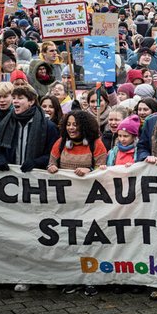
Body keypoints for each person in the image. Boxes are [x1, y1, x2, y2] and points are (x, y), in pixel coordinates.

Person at [47, 110, 107, 296]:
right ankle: (71, 278)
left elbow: (103, 170)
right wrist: (52, 168)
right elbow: (50, 164)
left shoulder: (96, 145)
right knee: (69, 242)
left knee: (89, 242)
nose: (71, 128)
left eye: (76, 125)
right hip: (66, 203)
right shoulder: (60, 144)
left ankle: (91, 279)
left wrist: (89, 170)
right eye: (69, 124)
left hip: (90, 203)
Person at [0, 85, 60, 174]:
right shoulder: (7, 123)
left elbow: (53, 155)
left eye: (20, 98)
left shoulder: (49, 126)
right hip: (12, 177)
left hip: (35, 179)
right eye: (14, 98)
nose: (15, 101)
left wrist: (35, 162)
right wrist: (1, 159)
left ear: (31, 101)